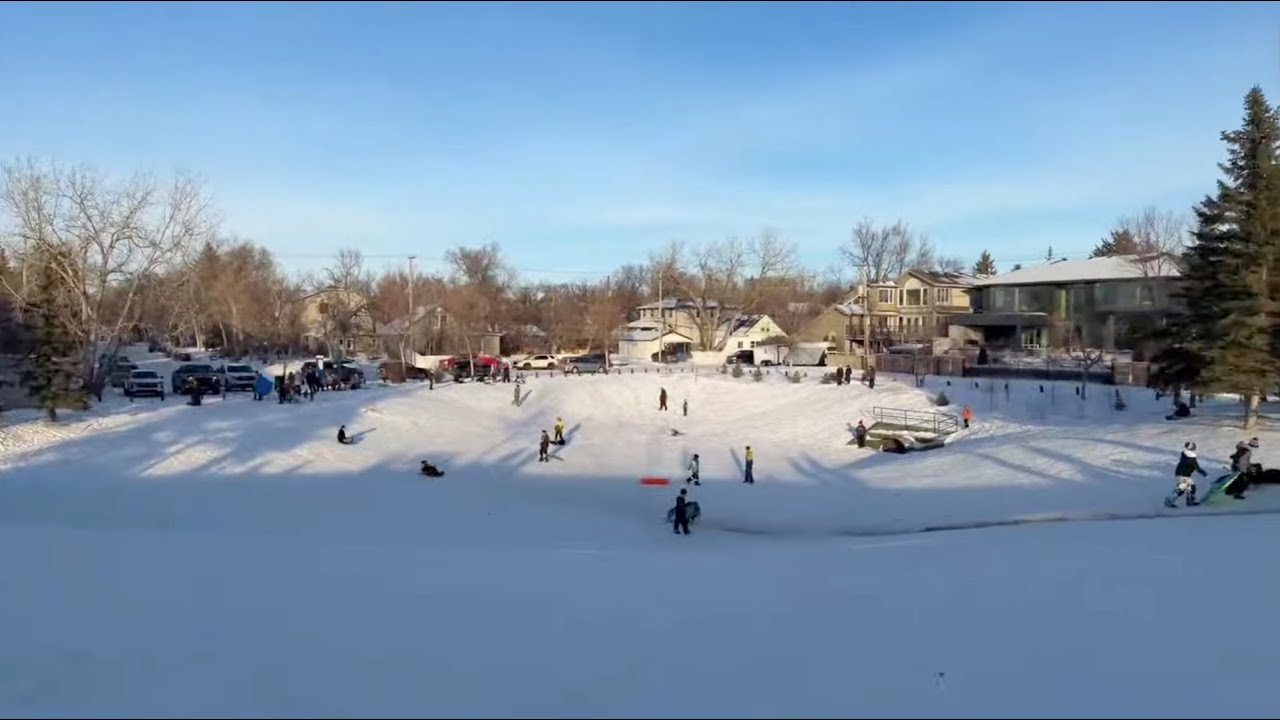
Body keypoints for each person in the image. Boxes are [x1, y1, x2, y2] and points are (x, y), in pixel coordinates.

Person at [1164, 441, 1207, 507]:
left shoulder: (1184, 455)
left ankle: (1189, 501)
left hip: (1181, 474)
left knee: (1191, 487)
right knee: (1182, 489)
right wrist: (1205, 474)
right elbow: (1197, 468)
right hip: (1183, 475)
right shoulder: (1191, 458)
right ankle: (1169, 500)